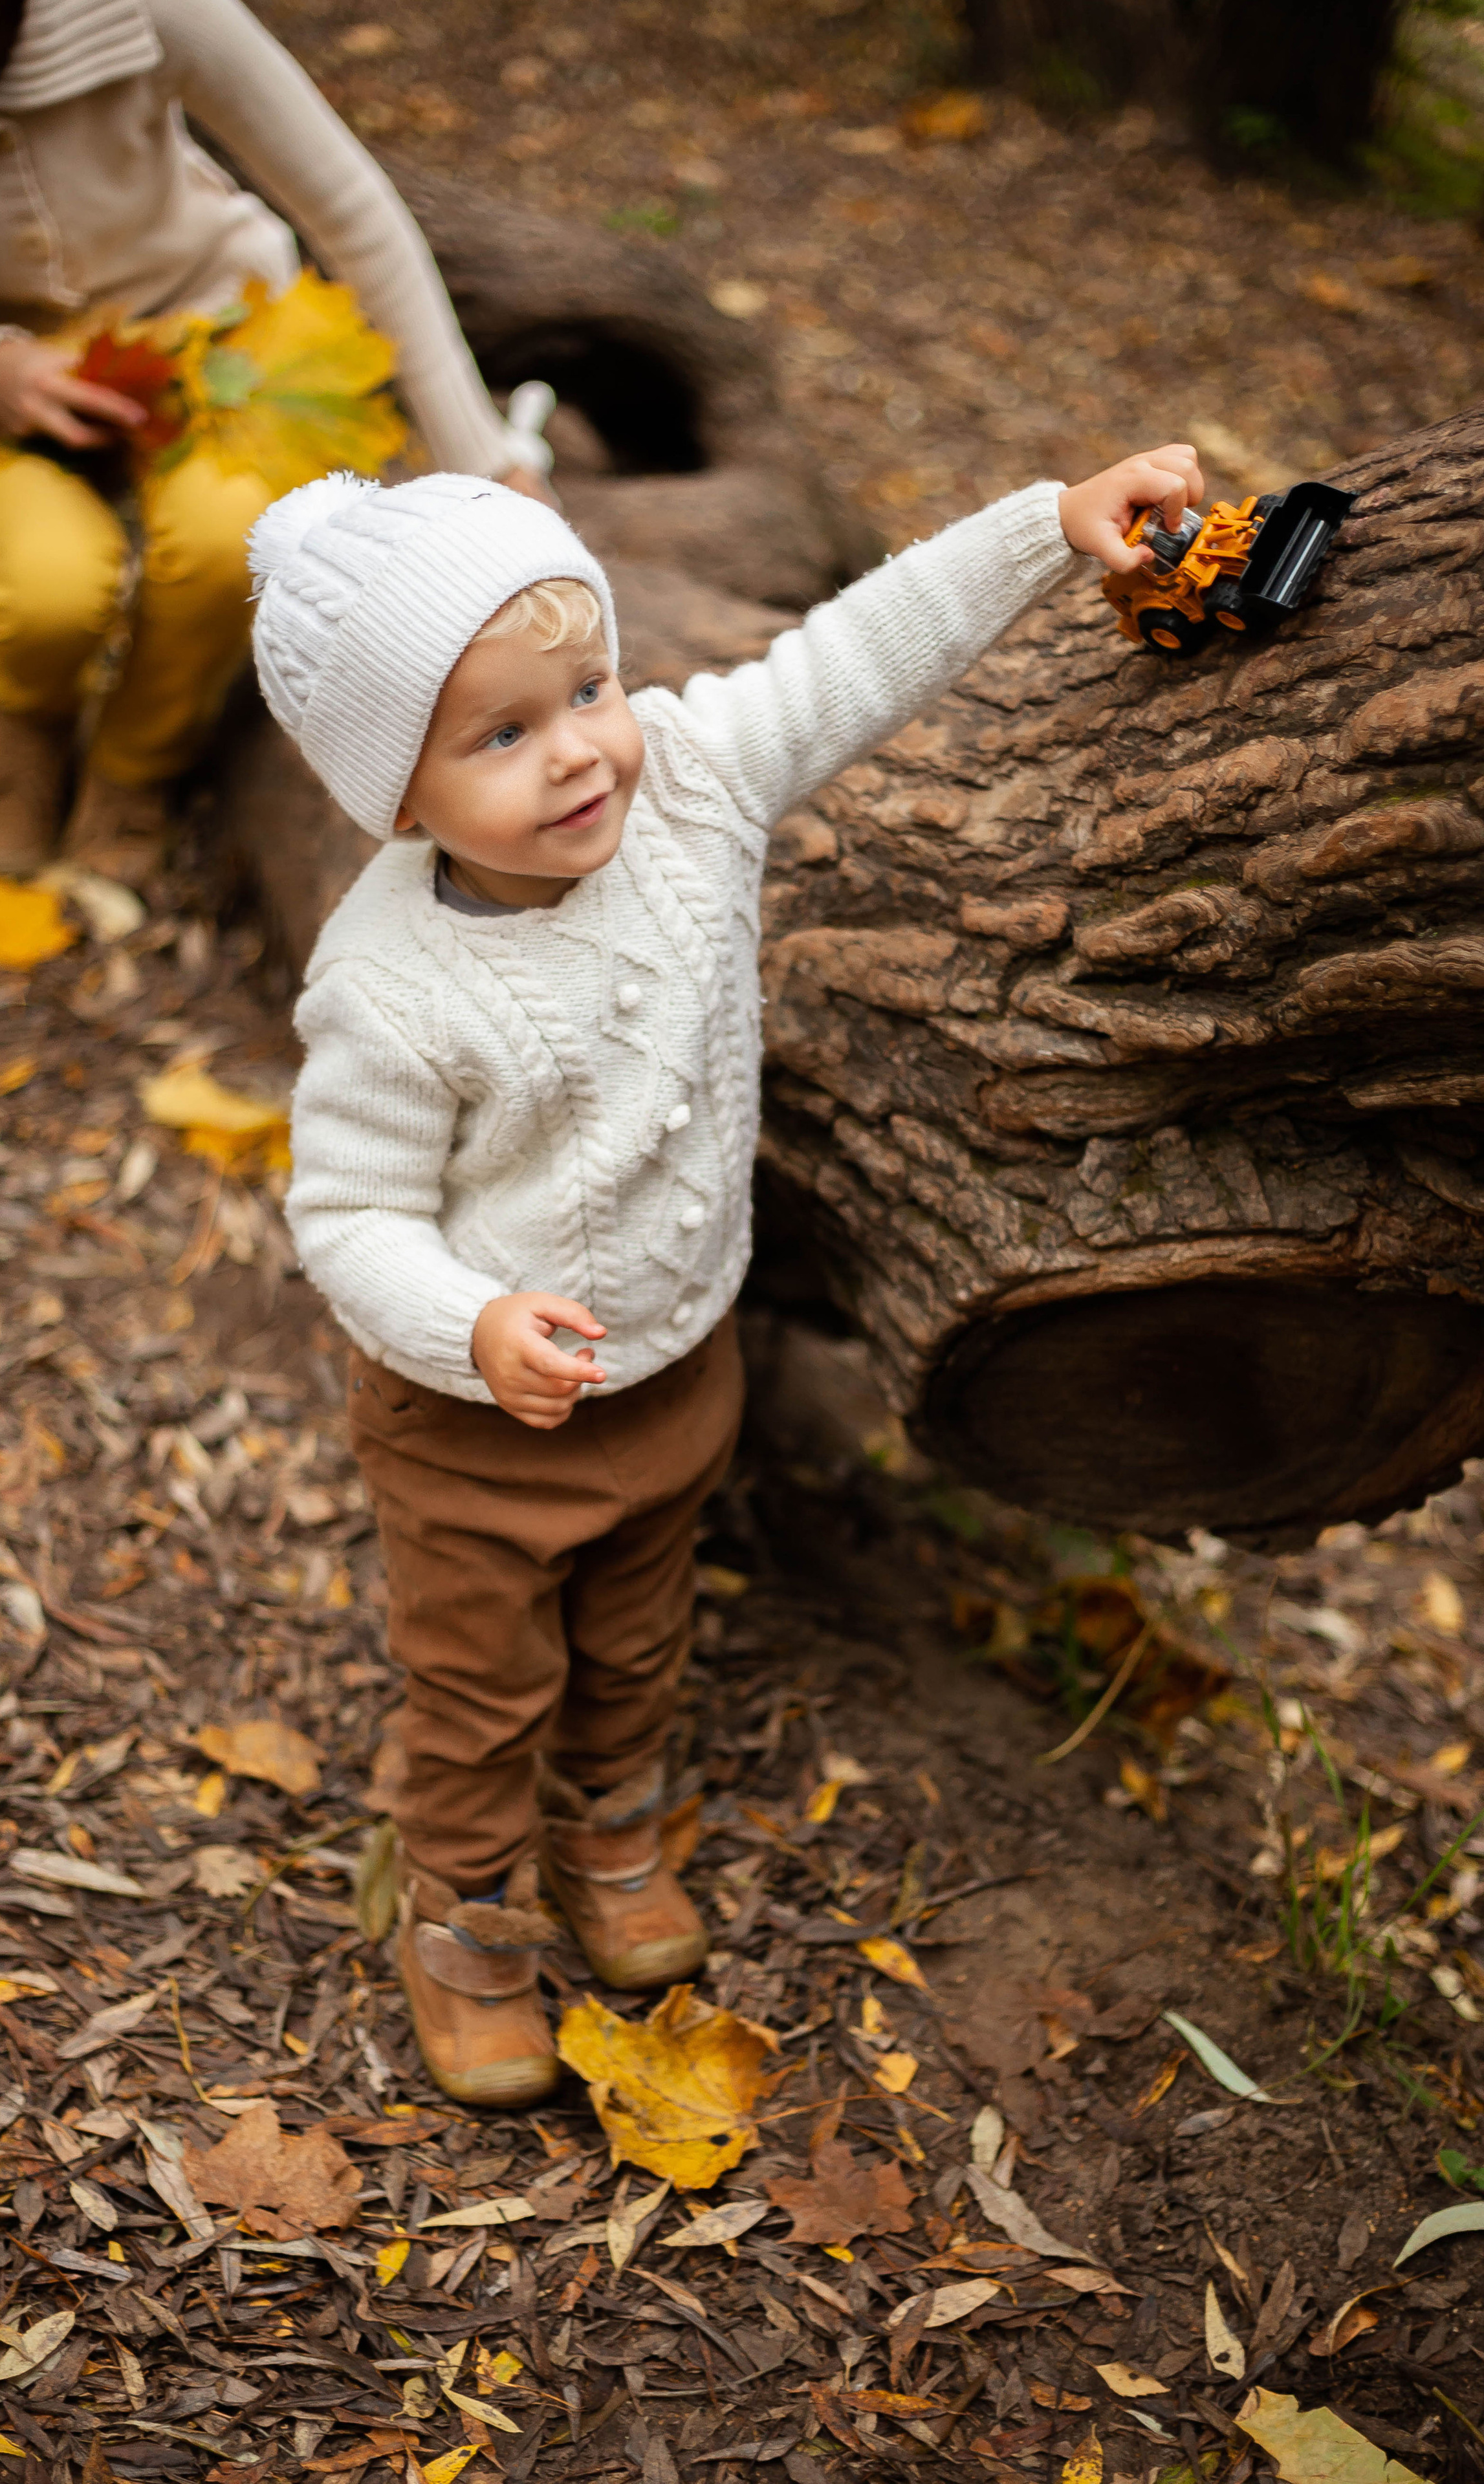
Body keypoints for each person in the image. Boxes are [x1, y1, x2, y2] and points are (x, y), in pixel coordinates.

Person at [249, 442, 1205, 2106]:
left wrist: (1043, 527)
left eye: (587, 689)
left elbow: (852, 652)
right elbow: (344, 1217)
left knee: (635, 1637)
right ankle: (463, 1915)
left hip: (681, 1367)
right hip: (477, 1429)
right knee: (483, 1688)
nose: (577, 754)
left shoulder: (684, 779)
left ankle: (605, 1835)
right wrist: (467, 1324)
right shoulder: (390, 988)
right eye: (501, 734)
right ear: (392, 797)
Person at [0, 0, 552, 888]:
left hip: (218, 341)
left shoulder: (153, 11)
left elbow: (353, 212)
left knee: (229, 546)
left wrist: (486, 459)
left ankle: (136, 759)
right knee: (43, 587)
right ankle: (31, 724)